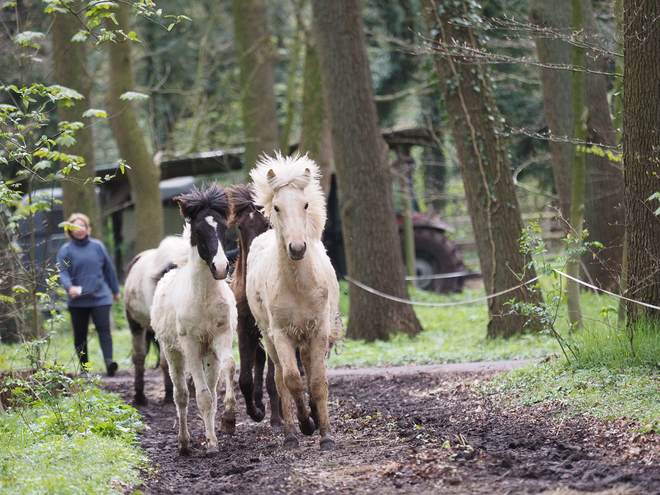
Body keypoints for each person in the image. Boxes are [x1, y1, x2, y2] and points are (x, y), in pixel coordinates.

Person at [56, 213, 121, 377]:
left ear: (87, 228)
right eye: (75, 227)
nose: (79, 230)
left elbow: (108, 269)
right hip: (77, 301)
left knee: (104, 330)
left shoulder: (98, 246)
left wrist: (115, 290)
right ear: (69, 230)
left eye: (82, 226)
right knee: (80, 335)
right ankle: (84, 368)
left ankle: (109, 362)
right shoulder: (66, 250)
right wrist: (69, 287)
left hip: (100, 296)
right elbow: (62, 273)